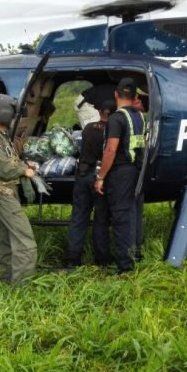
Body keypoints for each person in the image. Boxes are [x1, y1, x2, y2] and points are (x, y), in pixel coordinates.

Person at [0, 94, 38, 284]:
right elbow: (4, 169)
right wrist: (24, 170)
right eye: (12, 114)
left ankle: (5, 279)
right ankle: (21, 286)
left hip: (2, 192)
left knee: (5, 240)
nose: (13, 118)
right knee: (26, 243)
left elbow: (8, 159)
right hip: (3, 193)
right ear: (4, 114)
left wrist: (24, 165)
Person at [93, 78, 145, 273]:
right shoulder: (139, 117)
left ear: (116, 94)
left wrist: (101, 177)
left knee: (121, 219)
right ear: (135, 96)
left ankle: (125, 267)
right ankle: (136, 253)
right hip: (137, 171)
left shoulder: (116, 118)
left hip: (120, 173)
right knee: (134, 214)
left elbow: (110, 150)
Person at [66, 100, 114, 267]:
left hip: (83, 175)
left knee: (78, 218)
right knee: (101, 220)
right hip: (99, 177)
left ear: (100, 112)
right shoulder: (112, 132)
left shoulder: (88, 129)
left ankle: (73, 260)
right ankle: (102, 260)